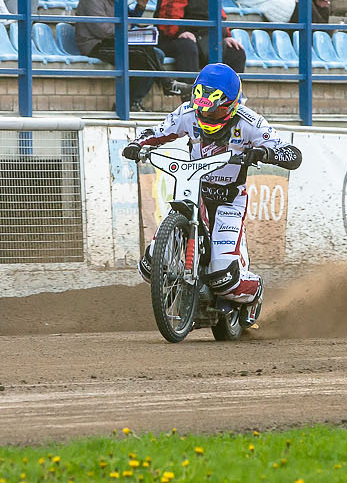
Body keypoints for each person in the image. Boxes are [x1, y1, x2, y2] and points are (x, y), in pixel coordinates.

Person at [121, 62, 302, 308]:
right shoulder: (187, 113)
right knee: (149, 265)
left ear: (230, 105)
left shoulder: (250, 122)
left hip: (230, 201)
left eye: (214, 112)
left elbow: (292, 154)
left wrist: (263, 153)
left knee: (223, 279)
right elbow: (157, 131)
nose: (206, 115)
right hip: (195, 194)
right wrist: (137, 145)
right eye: (201, 109)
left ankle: (255, 291)